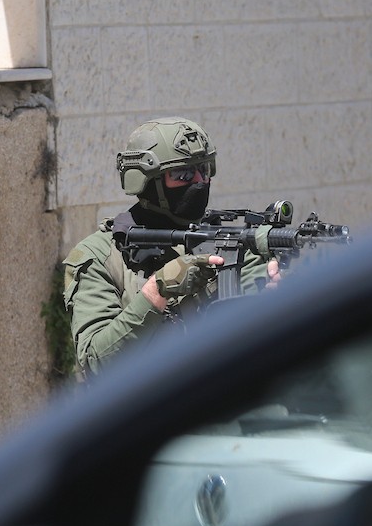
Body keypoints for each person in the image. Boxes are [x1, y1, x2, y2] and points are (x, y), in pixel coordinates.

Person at [62, 117, 279, 376]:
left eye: (203, 170)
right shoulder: (100, 257)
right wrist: (156, 291)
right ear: (148, 181)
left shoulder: (228, 242)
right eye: (183, 174)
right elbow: (96, 362)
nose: (199, 182)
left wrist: (275, 298)